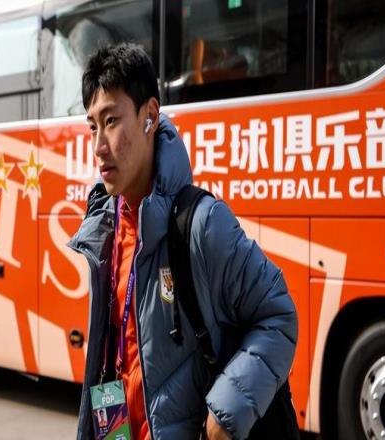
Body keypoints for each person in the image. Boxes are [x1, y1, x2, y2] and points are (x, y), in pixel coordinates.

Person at [68, 42, 298, 440]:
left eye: (111, 121)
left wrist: (227, 410)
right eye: (92, 126)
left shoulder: (202, 223)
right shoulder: (104, 229)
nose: (99, 146)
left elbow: (279, 317)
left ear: (149, 116)